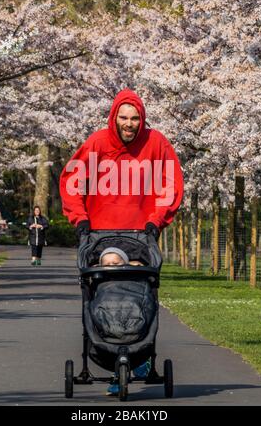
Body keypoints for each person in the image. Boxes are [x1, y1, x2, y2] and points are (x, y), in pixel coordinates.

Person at [60, 88, 184, 394]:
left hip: (141, 234)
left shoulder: (156, 144)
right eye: (123, 117)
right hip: (101, 235)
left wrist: (156, 220)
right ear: (114, 118)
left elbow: (171, 184)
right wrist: (81, 219)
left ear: (142, 120)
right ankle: (111, 353)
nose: (129, 124)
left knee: (141, 285)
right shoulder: (97, 143)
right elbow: (72, 181)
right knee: (107, 286)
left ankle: (138, 354)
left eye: (135, 118)